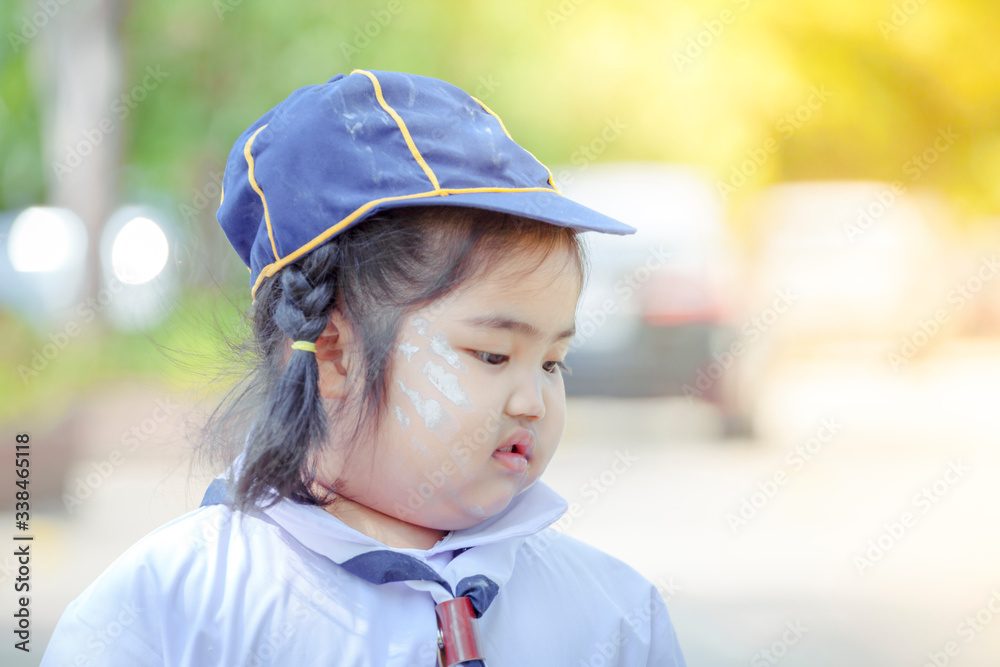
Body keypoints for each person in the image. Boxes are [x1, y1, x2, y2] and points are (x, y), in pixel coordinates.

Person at [41, 69, 686, 666]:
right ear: (334, 353)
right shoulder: (173, 607)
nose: (532, 401)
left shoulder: (615, 615)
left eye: (553, 362)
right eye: (493, 355)